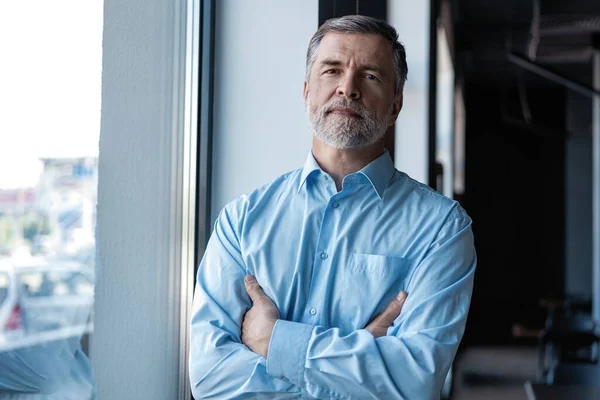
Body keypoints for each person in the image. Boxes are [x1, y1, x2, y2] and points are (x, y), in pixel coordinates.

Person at [189, 15, 476, 399]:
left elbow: (415, 380)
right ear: (307, 91)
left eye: (370, 76)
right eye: (332, 70)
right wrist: (362, 358)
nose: (347, 88)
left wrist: (276, 340)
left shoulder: (442, 228)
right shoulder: (242, 220)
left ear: (396, 104)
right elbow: (210, 377)